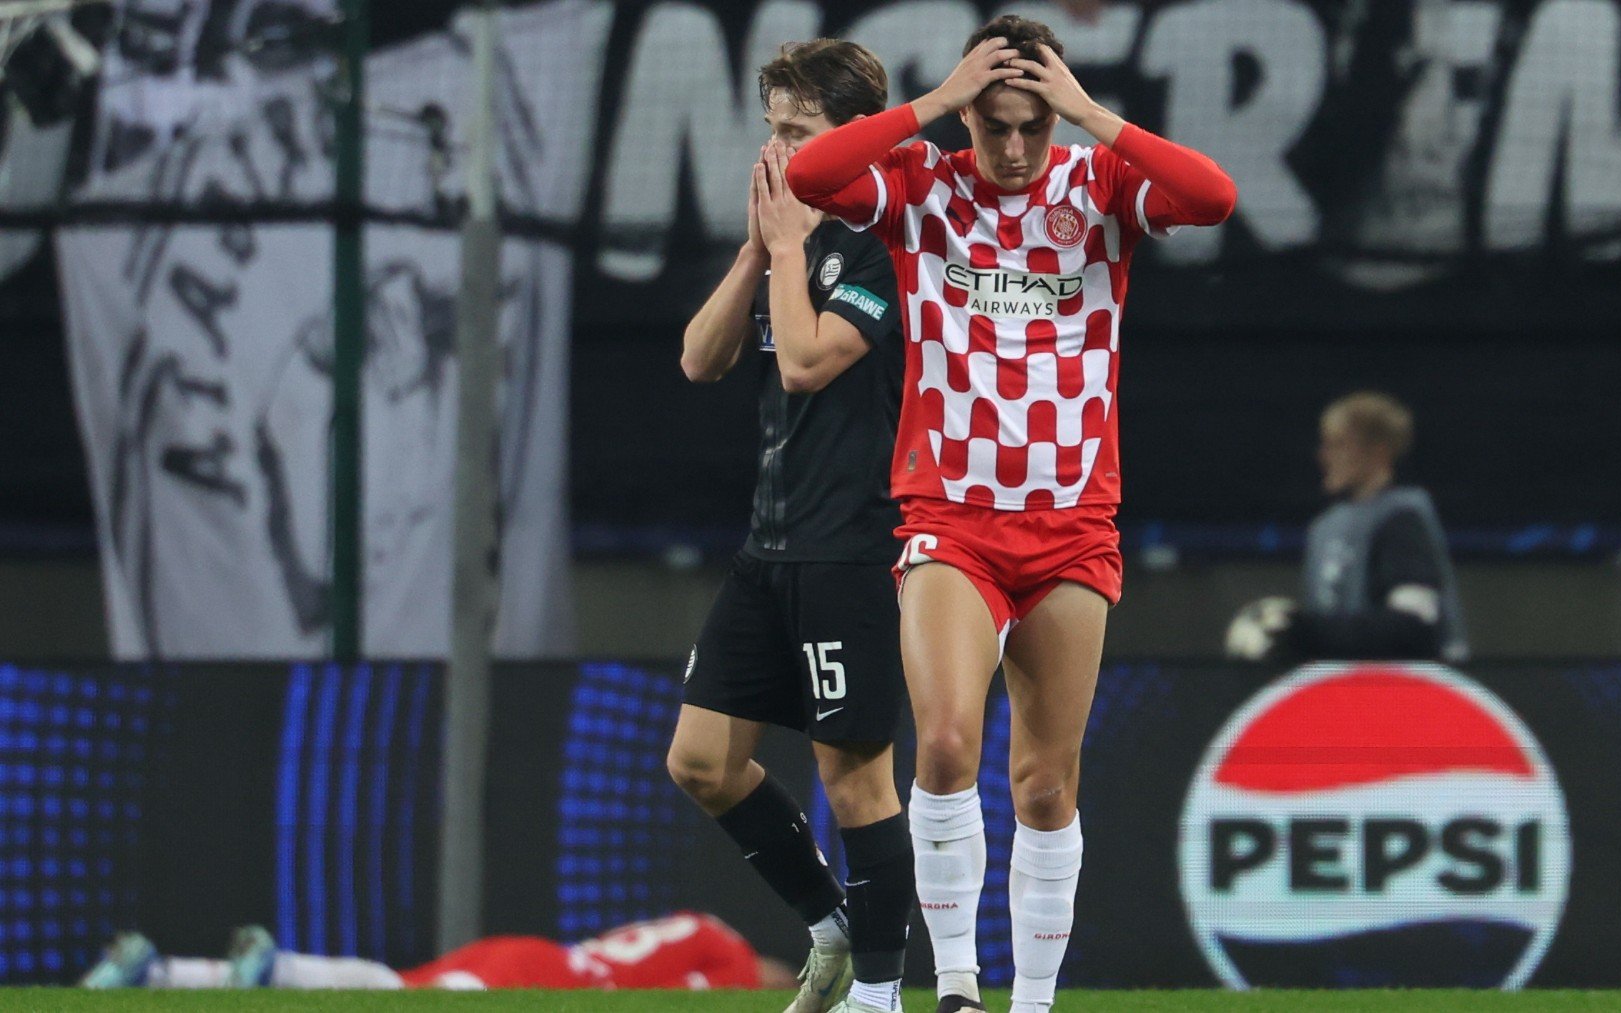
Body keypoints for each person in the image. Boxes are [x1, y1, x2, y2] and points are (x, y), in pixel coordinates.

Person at [786, 16, 1235, 1013]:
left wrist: (1091, 114)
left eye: (1034, 124)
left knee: (1044, 779)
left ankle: (1034, 1001)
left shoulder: (1101, 185)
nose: (1019, 147)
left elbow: (1214, 195)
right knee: (945, 740)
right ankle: (957, 985)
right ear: (970, 118)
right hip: (953, 515)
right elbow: (815, 177)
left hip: (1075, 522)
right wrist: (933, 105)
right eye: (997, 126)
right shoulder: (921, 184)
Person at [667, 38, 913, 1013]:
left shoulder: (890, 243)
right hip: (769, 547)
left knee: (855, 779)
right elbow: (700, 357)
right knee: (701, 761)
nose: (777, 151)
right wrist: (756, 249)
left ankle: (881, 995)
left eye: (798, 132)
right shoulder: (786, 238)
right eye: (771, 130)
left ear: (855, 139)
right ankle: (831, 925)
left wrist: (788, 248)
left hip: (850, 543)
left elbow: (808, 362)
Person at [1225, 391, 1469, 664]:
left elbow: (1413, 627)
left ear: (1378, 451)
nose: (1324, 456)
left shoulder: (1401, 519)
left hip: (1403, 691)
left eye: (1338, 444)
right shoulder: (1325, 528)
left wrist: (1303, 632)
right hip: (1344, 688)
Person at [79, 912, 791, 990]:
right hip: (539, 985)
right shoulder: (731, 975)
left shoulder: (704, 926)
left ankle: (164, 969)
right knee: (397, 995)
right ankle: (278, 968)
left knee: (399, 983)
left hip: (527, 953)